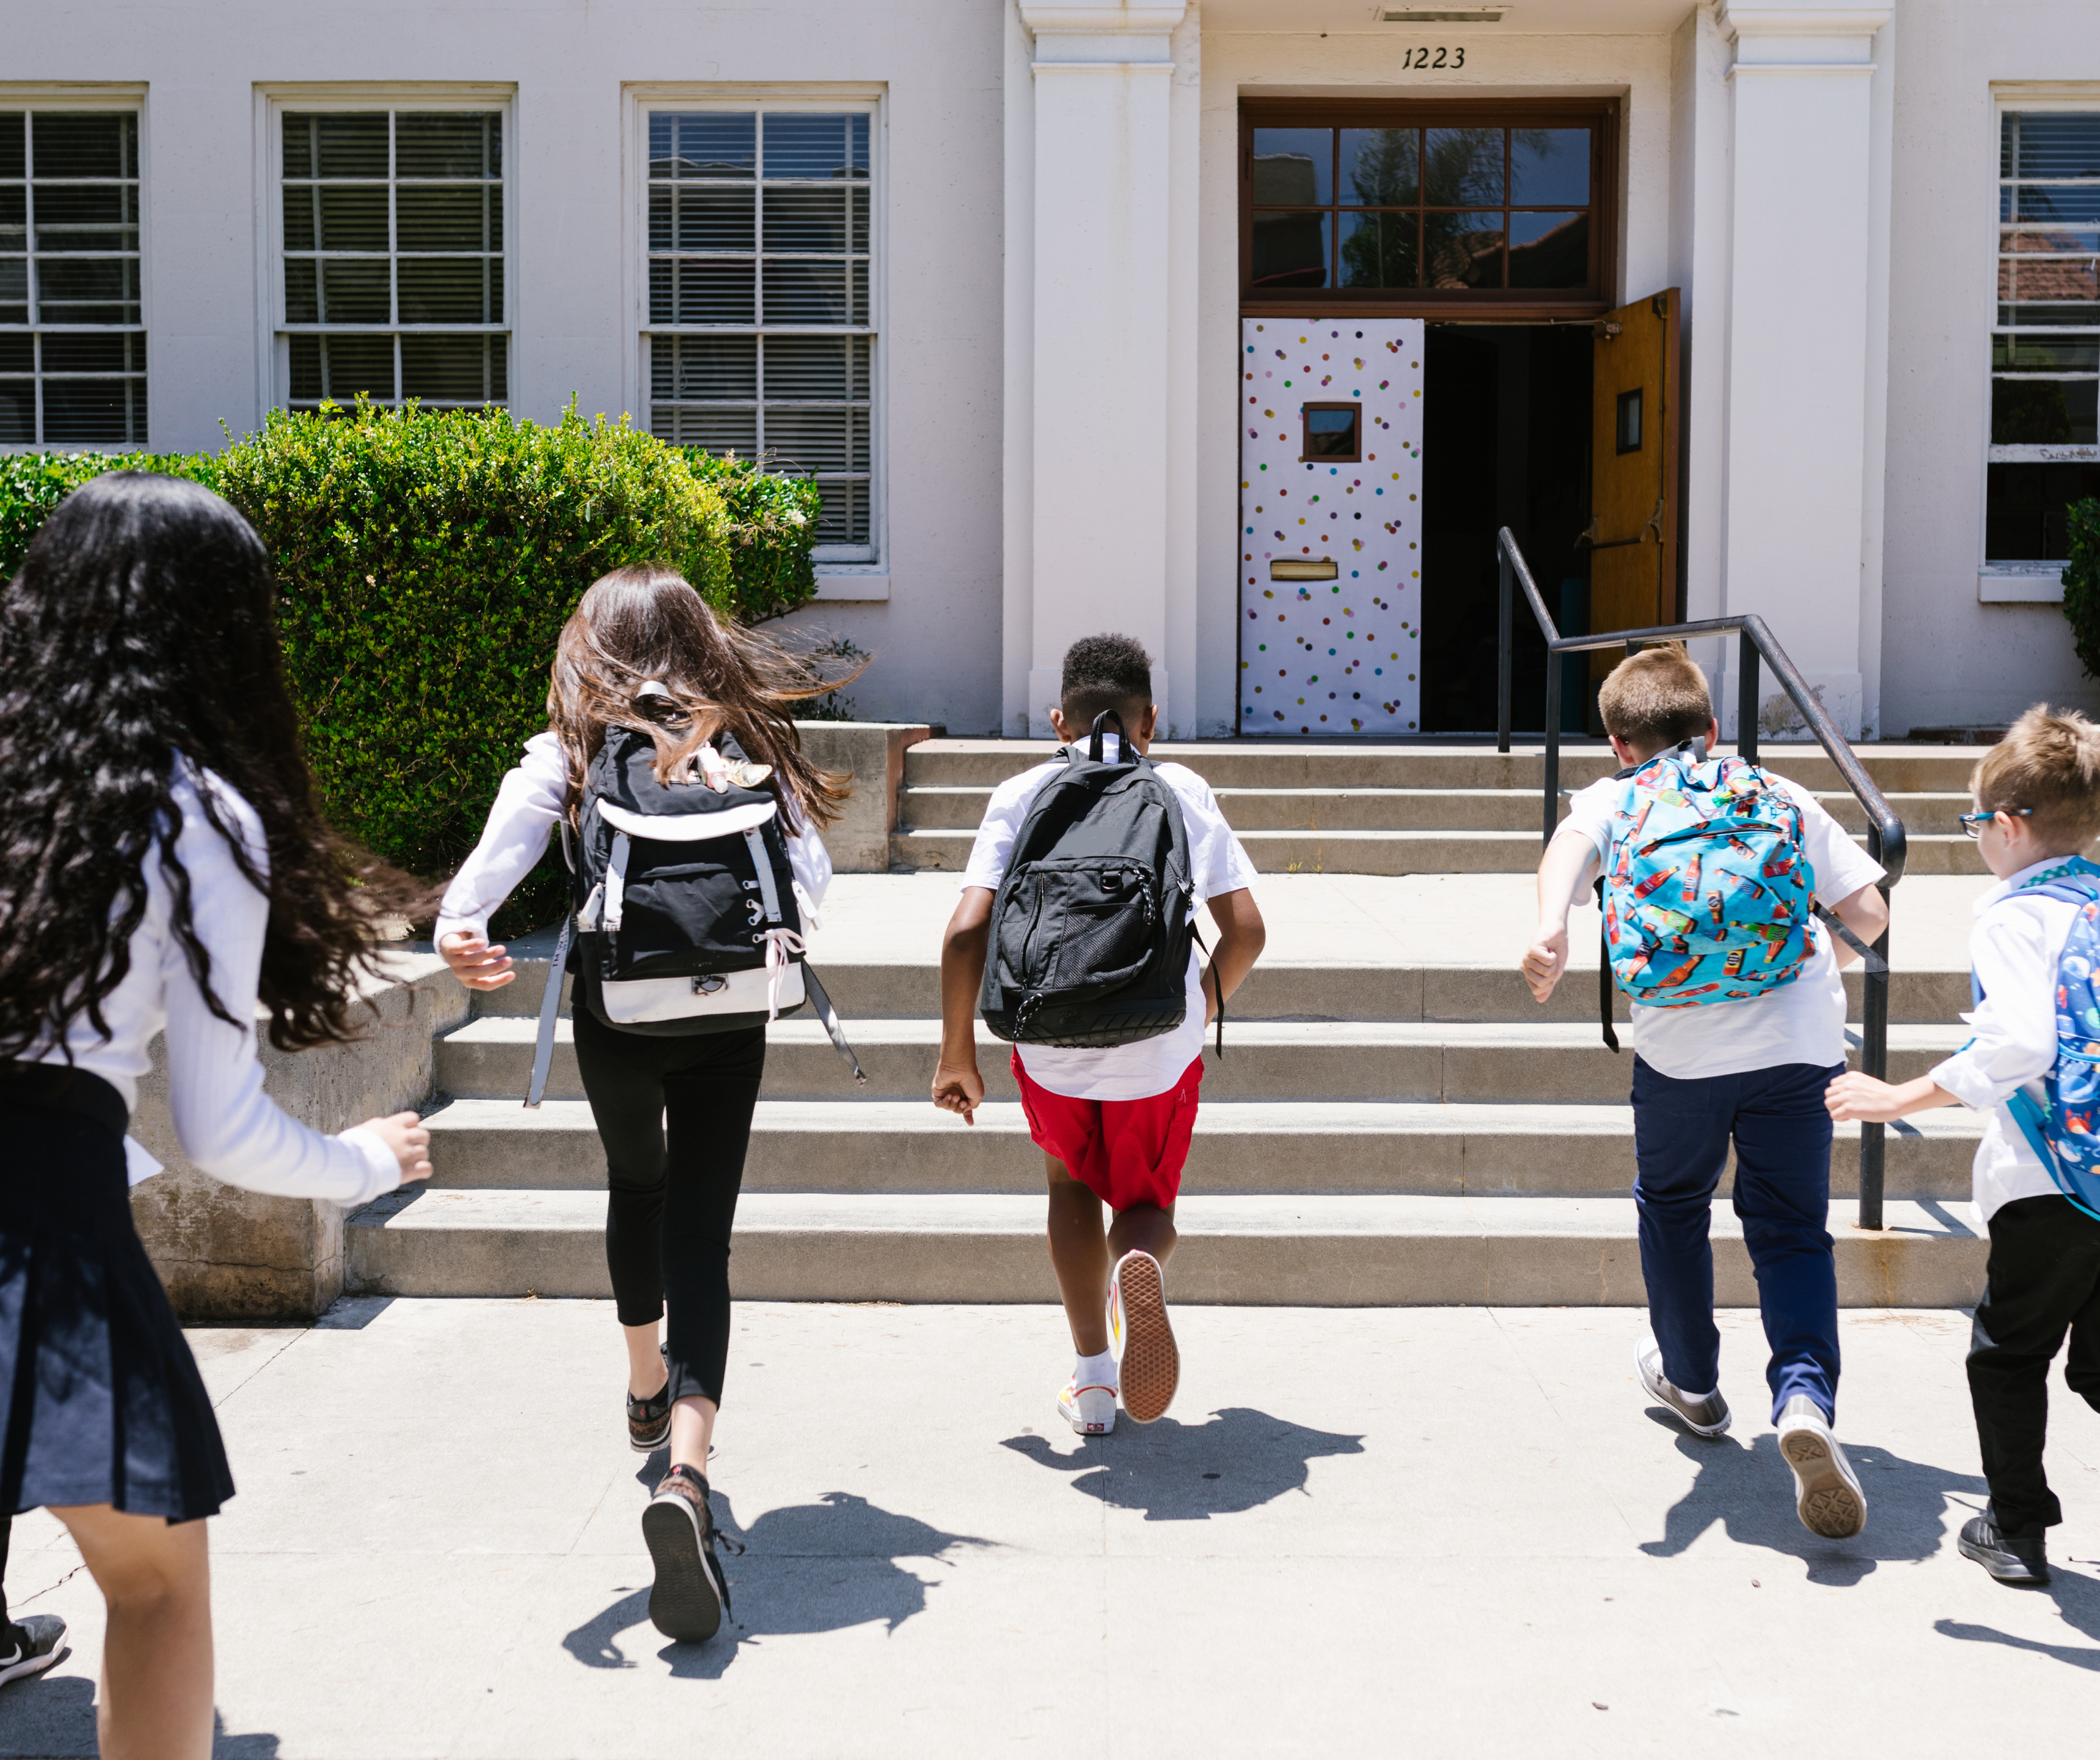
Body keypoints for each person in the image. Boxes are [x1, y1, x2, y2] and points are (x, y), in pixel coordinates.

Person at [0, 472, 432, 1760]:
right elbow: (225, 1126)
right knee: (152, 1581)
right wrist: (358, 1161)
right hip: (45, 1232)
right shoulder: (189, 812)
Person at [434, 565, 846, 1644]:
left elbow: (484, 877)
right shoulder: (749, 743)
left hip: (617, 1010)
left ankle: (642, 1378)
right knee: (701, 1234)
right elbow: (809, 887)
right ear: (702, 638)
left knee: (638, 1186)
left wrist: (463, 931)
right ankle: (689, 1476)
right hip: (729, 1013)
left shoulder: (568, 750)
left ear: (593, 643)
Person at [1520, 645, 1890, 1538]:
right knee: (1791, 1231)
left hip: (1681, 1055)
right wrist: (1810, 970)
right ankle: (1802, 1400)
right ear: (1713, 729)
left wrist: (1547, 933)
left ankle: (1690, 1382)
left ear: (1617, 744)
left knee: (1675, 1206)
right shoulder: (1778, 793)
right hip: (1799, 1048)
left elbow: (1564, 863)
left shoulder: (1615, 798)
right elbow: (1870, 914)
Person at [931, 635, 1264, 1434]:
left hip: (1047, 1039)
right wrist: (1200, 1007)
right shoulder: (1179, 788)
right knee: (1144, 1203)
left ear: (1057, 720)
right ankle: (1139, 1261)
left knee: (1067, 1188)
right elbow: (1246, 932)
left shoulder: (1020, 790)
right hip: (1157, 1045)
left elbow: (965, 933)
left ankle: (1091, 1383)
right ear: (1150, 718)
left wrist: (956, 1058)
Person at [1828, 706, 2100, 1586]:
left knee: (2009, 1353)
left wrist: (1896, 1095)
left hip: (2049, 1180)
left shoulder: (2014, 916)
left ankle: (2015, 1529)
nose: (1976, 838)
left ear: (2010, 826)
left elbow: (2018, 1042)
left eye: (1976, 822)